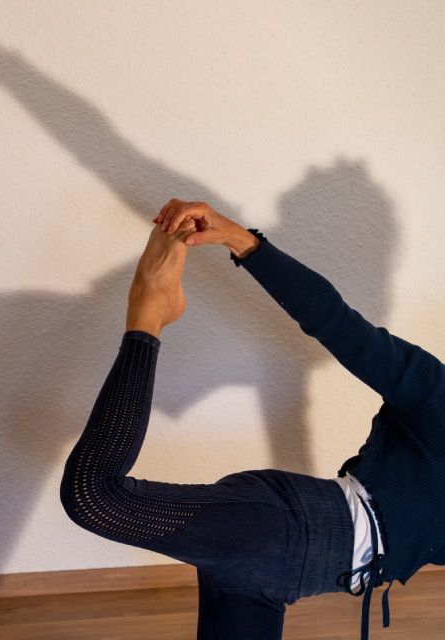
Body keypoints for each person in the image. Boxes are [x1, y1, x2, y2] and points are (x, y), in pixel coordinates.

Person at [59, 199, 445, 640]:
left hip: (281, 569)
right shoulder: (438, 397)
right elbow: (336, 322)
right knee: (93, 496)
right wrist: (239, 238)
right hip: (284, 528)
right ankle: (149, 310)